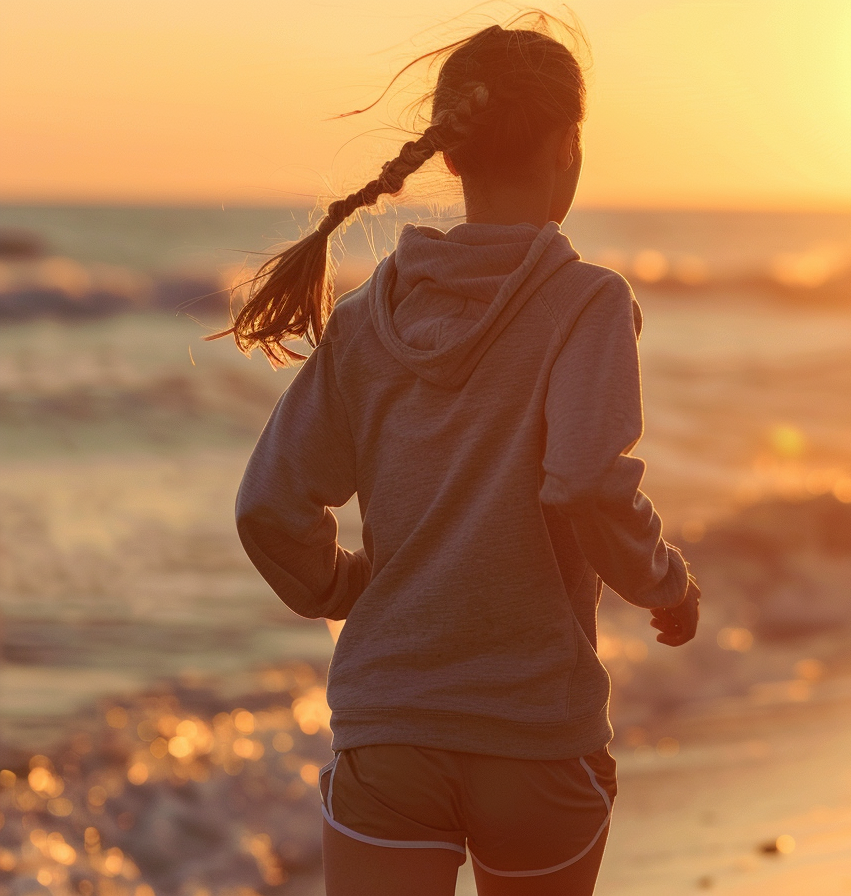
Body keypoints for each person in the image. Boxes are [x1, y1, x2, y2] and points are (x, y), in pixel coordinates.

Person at [215, 14, 700, 895]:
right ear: (567, 148)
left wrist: (348, 589)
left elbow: (269, 509)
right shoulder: (586, 302)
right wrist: (662, 581)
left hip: (388, 729)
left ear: (452, 155)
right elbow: (588, 480)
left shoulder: (370, 318)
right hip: (534, 732)